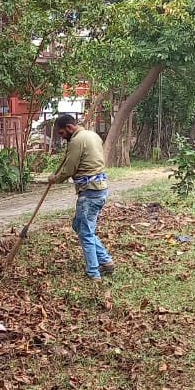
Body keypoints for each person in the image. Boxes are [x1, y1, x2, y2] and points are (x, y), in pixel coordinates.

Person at [48, 113, 115, 280]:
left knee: (85, 232)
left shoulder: (77, 141)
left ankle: (93, 272)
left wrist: (55, 179)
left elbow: (69, 169)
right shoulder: (92, 135)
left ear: (70, 128)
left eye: (62, 133)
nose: (62, 138)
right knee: (79, 226)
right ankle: (105, 261)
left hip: (90, 193)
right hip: (99, 190)